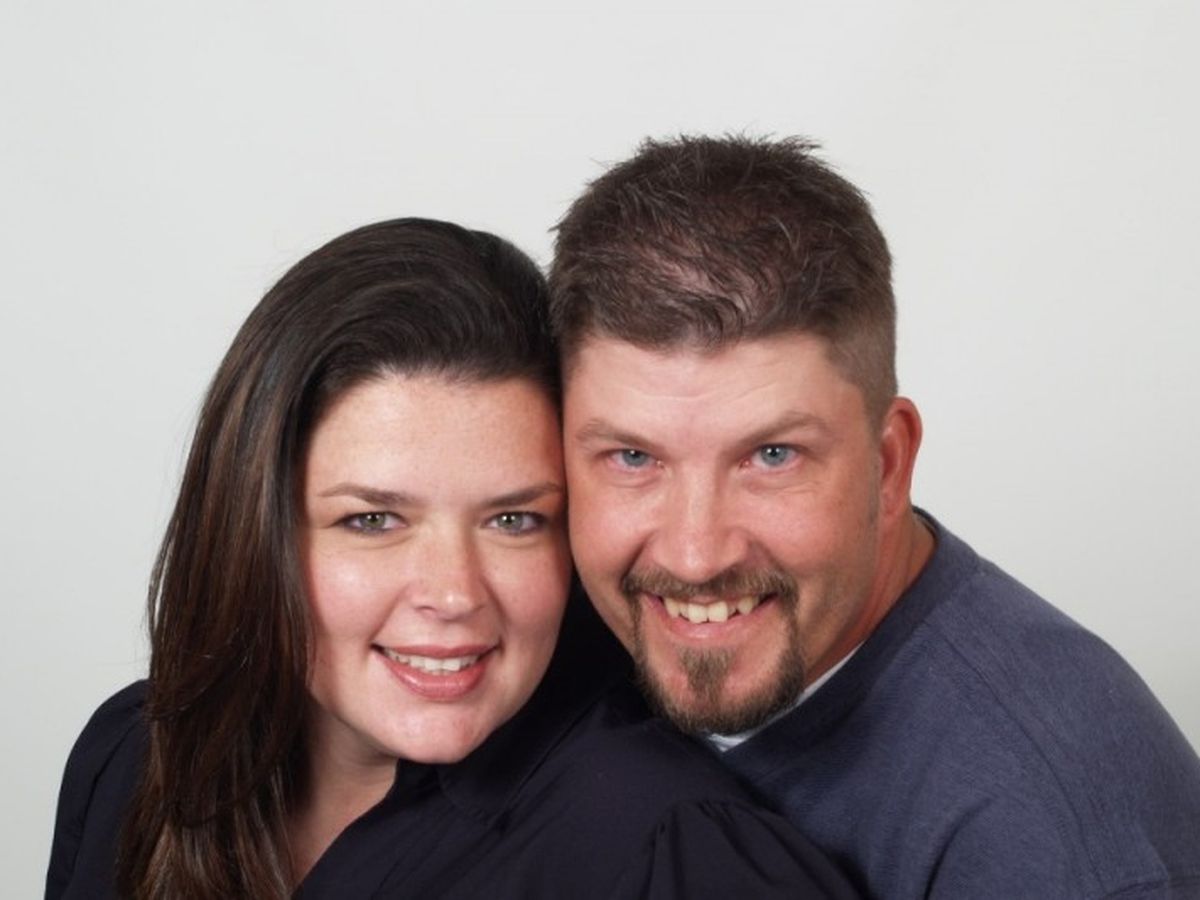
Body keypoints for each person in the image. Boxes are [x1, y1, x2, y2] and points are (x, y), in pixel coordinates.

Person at [45, 218, 860, 899]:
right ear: (253, 530)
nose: (453, 594)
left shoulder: (670, 856)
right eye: (372, 520)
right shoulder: (134, 757)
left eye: (513, 520)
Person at [550, 135, 1200, 899]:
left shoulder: (1059, 846)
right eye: (632, 458)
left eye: (772, 456)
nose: (695, 555)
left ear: (889, 463)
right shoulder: (541, 640)